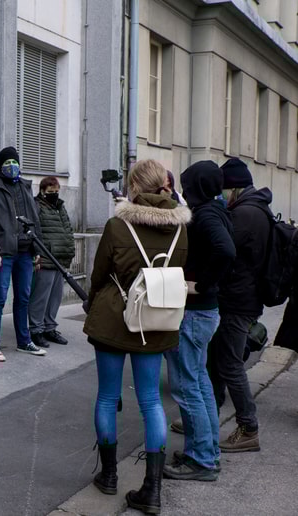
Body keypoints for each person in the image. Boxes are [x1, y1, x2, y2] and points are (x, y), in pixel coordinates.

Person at [84, 159, 190, 514]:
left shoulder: (118, 225)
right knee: (151, 401)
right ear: (163, 184)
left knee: (107, 397)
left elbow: (100, 274)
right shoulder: (180, 228)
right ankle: (152, 489)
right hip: (156, 319)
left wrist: (91, 300)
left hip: (115, 318)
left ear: (133, 188)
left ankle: (110, 475)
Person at [162, 161, 235, 482]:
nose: (184, 192)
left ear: (197, 187)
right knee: (200, 384)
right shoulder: (216, 210)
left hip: (194, 311)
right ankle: (206, 452)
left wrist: (202, 283)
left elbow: (225, 251)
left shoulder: (205, 215)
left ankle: (202, 459)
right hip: (204, 312)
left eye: (187, 186)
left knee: (188, 386)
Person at [208, 157, 271, 453]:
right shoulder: (254, 208)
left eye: (223, 190)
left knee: (231, 364)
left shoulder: (245, 214)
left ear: (233, 188)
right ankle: (208, 417)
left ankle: (249, 427)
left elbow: (222, 249)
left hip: (238, 301)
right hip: (239, 298)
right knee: (217, 359)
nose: (220, 195)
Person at [0, 146, 44, 361]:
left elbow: (35, 221)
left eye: (14, 162)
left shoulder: (26, 187)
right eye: (7, 162)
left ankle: (24, 341)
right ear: (0, 165)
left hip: (26, 252)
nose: (11, 166)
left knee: (23, 298)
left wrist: (38, 250)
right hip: (4, 253)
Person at [28, 176, 75, 348]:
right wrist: (37, 254)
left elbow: (67, 228)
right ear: (42, 191)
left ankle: (49, 327)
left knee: (55, 296)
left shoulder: (60, 206)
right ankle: (36, 330)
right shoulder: (37, 206)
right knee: (40, 296)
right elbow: (34, 231)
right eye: (50, 192)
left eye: (56, 191)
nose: (54, 194)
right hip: (46, 257)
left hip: (60, 258)